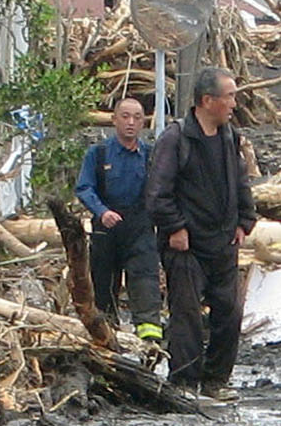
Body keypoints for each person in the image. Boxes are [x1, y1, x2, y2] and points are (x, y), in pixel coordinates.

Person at [146, 66, 256, 401]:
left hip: (223, 242)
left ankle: (216, 381)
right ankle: (184, 382)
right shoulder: (175, 139)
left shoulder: (228, 137)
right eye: (230, 97)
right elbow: (156, 193)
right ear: (207, 100)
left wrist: (244, 221)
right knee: (187, 315)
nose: (234, 104)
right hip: (187, 245)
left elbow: (240, 181)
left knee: (230, 312)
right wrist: (175, 228)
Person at [75, 96, 163, 342]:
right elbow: (84, 188)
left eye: (137, 117)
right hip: (106, 230)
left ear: (144, 122)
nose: (131, 123)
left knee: (145, 283)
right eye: (125, 116)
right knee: (102, 287)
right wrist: (102, 211)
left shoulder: (151, 156)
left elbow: (165, 190)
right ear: (114, 120)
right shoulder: (99, 154)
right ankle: (107, 338)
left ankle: (150, 342)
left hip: (141, 230)